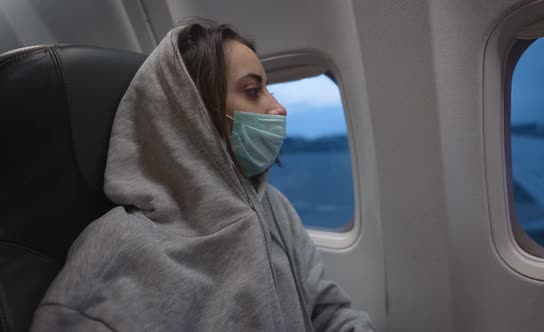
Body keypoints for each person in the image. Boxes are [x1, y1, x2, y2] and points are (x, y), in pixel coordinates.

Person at [31, 21, 374, 331]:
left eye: (270, 90)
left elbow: (327, 312)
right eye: (253, 91)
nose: (278, 108)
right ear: (192, 114)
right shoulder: (118, 260)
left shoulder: (274, 207)